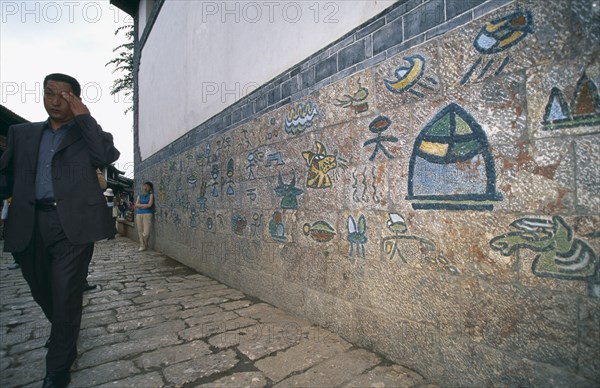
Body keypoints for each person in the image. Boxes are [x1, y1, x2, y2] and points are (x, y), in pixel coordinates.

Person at [0, 73, 119, 388]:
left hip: (73, 226)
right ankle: (63, 333)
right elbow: (6, 176)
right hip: (29, 223)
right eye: (49, 93)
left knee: (66, 294)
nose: (55, 100)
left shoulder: (87, 134)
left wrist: (86, 120)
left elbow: (106, 157)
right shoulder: (20, 134)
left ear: (76, 99)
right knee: (42, 291)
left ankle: (58, 367)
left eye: (64, 95)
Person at [135, 182, 154, 251]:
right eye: (144, 186)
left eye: (147, 186)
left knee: (146, 233)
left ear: (150, 188)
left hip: (147, 214)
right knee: (140, 230)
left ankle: (145, 244)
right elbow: (136, 205)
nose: (145, 188)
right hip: (139, 214)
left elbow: (150, 205)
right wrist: (144, 205)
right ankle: (142, 245)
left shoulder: (151, 195)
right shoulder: (139, 196)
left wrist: (141, 205)